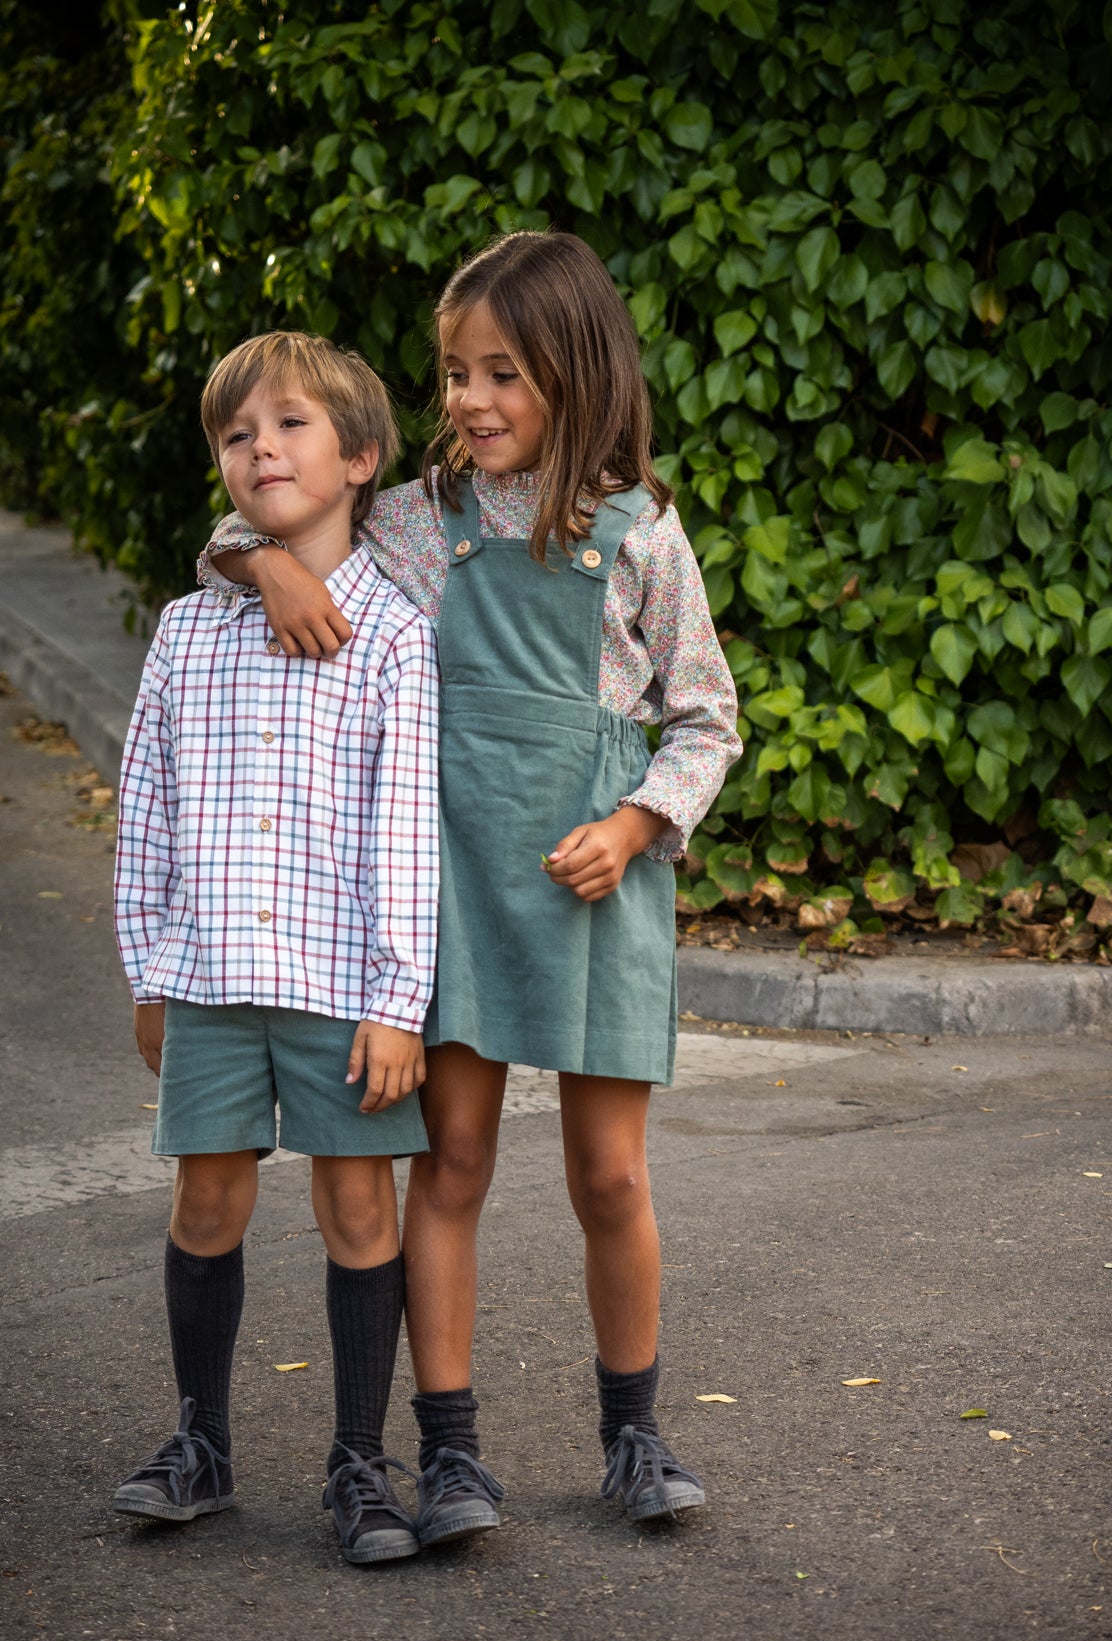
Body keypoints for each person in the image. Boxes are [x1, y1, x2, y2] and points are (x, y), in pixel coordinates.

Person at [200, 231, 742, 1538]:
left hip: (598, 890)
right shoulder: (411, 519)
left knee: (610, 1177)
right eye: (455, 372)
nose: (472, 399)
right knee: (449, 1162)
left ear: (577, 369)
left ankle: (634, 1435)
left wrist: (635, 823)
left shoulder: (639, 532)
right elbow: (257, 517)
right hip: (449, 891)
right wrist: (263, 561)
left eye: (503, 372)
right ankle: (449, 1452)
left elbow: (706, 718)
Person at [113, 332, 440, 1566]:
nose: (261, 448)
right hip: (206, 977)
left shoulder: (395, 635)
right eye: (237, 434)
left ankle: (360, 1459)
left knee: (358, 1203)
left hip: (339, 984)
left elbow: (405, 832)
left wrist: (399, 999)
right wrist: (149, 968)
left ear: (360, 458)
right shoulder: (185, 630)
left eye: (291, 424)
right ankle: (199, 1441)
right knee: (206, 1198)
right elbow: (146, 808)